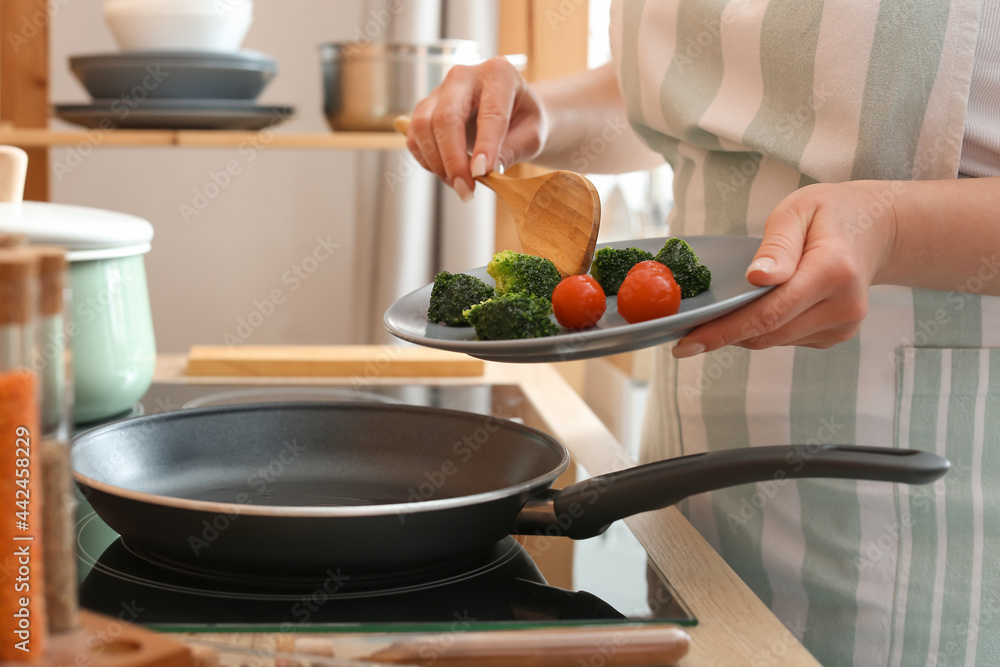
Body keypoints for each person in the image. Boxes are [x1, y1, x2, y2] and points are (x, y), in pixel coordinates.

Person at [401, 1, 1000, 664]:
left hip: (918, 479)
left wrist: (893, 228)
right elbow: (699, 96)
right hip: (688, 474)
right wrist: (542, 113)